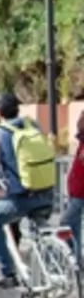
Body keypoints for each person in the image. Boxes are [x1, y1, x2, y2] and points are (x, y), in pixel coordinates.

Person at [0, 92, 57, 288]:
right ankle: (54, 268)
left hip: (21, 197)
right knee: (40, 230)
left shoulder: (0, 133)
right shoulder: (32, 126)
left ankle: (5, 271)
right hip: (46, 193)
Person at [62, 110, 84, 267]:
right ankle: (77, 261)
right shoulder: (82, 141)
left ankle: (72, 258)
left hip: (80, 194)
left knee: (65, 224)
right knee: (74, 229)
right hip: (75, 192)